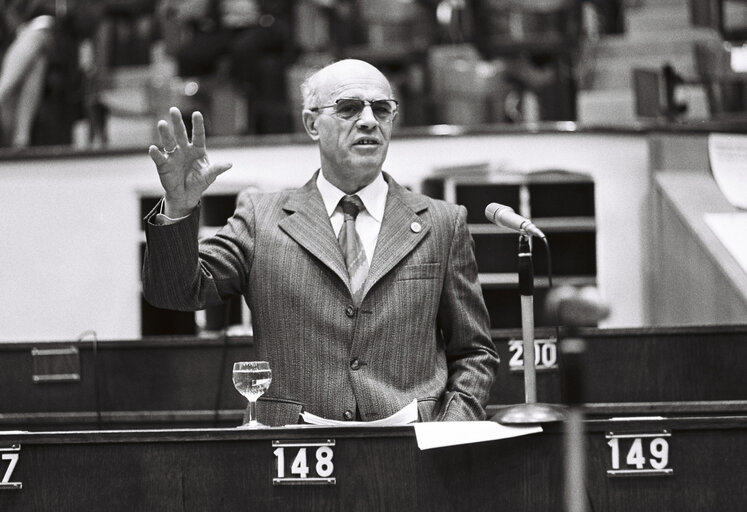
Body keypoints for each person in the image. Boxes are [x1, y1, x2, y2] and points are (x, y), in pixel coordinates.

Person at [142, 59, 499, 426]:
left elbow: (474, 352)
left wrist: (451, 430)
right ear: (312, 123)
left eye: (381, 109)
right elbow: (176, 292)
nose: (368, 121)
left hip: (412, 449)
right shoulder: (261, 217)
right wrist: (180, 209)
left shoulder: (442, 223)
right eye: (348, 108)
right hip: (294, 451)